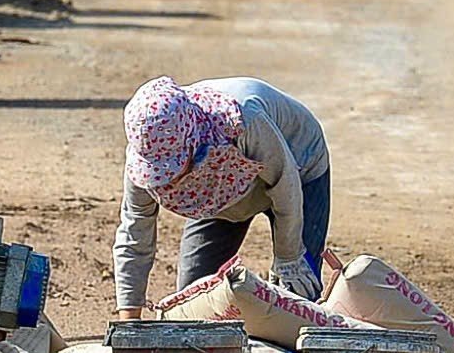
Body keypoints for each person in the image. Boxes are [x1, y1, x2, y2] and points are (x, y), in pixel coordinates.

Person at [112, 76, 331, 318]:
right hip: (219, 192)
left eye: (172, 169)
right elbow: (134, 234)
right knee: (192, 304)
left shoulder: (244, 120)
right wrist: (129, 323)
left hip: (298, 168)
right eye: (159, 173)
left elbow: (285, 185)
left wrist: (289, 257)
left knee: (297, 296)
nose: (167, 180)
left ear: (193, 143)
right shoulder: (144, 160)